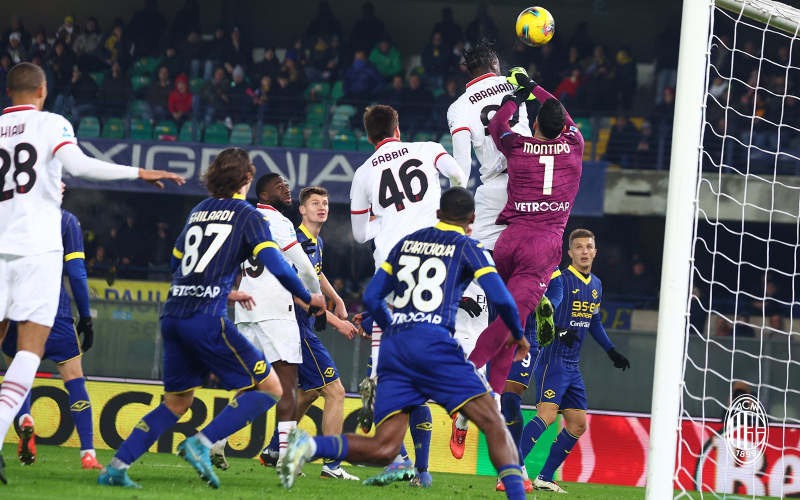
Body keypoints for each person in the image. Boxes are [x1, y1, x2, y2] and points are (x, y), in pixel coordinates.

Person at [97, 147, 326, 490]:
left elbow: (176, 263)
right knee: (271, 388)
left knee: (177, 402)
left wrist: (225, 291)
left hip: (173, 315)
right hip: (205, 319)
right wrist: (309, 296)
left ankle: (116, 467)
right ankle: (202, 443)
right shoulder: (247, 214)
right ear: (246, 178)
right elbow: (277, 265)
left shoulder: (199, 210)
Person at [281, 187, 531, 500]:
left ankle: (309, 445)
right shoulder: (469, 246)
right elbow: (502, 300)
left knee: (385, 447)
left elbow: (373, 296)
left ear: (438, 214)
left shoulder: (407, 243)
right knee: (494, 422)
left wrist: (394, 330)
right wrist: (517, 334)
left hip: (395, 349)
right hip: (436, 344)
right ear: (471, 219)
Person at [0, 62, 184, 485]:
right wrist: (139, 172)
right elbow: (80, 165)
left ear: (9, 91)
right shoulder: (51, 123)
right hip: (36, 253)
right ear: (42, 91)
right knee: (29, 352)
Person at [349, 104, 466, 487]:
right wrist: (444, 214)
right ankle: (423, 470)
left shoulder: (364, 173)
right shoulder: (428, 149)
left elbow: (359, 234)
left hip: (392, 271)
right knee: (418, 366)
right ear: (398, 129)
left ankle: (398, 459)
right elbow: (458, 174)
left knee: (384, 371)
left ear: (370, 136)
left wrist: (387, 219)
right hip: (433, 267)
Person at [466, 67, 584, 400]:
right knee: (509, 324)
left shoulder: (518, 147)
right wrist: (533, 87)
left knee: (508, 325)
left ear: (534, 126)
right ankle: (465, 378)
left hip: (509, 241)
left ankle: (491, 399)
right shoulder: (575, 144)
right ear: (563, 129)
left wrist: (514, 99)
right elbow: (562, 114)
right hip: (542, 249)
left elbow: (496, 125)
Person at [446, 45, 535, 459]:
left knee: (474, 269)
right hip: (532, 183)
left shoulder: (459, 106)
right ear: (496, 65)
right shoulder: (516, 85)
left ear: (467, 70)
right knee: (526, 281)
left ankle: (465, 396)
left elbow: (462, 167)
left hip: (494, 190)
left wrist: (455, 202)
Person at [258, 186, 359, 481]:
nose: (322, 207)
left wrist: (337, 298)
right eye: (315, 203)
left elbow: (315, 273)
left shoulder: (316, 242)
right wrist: (337, 322)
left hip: (300, 325)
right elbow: (296, 291)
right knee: (336, 392)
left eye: (325, 203)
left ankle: (275, 449)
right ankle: (332, 465)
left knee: (311, 391)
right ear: (302, 209)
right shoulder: (295, 241)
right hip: (294, 324)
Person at [518, 229, 629, 493]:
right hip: (553, 360)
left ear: (595, 252)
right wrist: (559, 331)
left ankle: (545, 478)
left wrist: (611, 351)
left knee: (578, 424)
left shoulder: (596, 284)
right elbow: (542, 312)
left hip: (572, 365)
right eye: (578, 247)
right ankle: (509, 468)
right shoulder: (560, 279)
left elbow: (594, 321)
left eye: (588, 246)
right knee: (546, 415)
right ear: (570, 252)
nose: (584, 251)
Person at [2, 199, 102, 469]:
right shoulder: (66, 220)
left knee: (19, 375)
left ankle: (24, 419)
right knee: (75, 379)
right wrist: (86, 317)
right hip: (53, 311)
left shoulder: (9, 214)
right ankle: (88, 453)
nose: (63, 186)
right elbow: (77, 273)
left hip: (15, 310)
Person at [232, 174, 323, 470]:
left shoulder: (244, 218)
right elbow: (305, 267)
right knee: (287, 383)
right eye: (279, 186)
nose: (287, 189)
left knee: (251, 384)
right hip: (275, 309)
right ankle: (284, 456)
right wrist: (317, 298)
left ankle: (215, 441)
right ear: (263, 194)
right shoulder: (278, 221)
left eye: (287, 185)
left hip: (246, 311)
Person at [494, 267, 562, 492]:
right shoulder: (500, 251)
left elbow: (557, 288)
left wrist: (548, 306)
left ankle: (511, 472)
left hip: (529, 335)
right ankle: (518, 469)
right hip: (498, 330)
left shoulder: (546, 256)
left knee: (510, 399)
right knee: (492, 399)